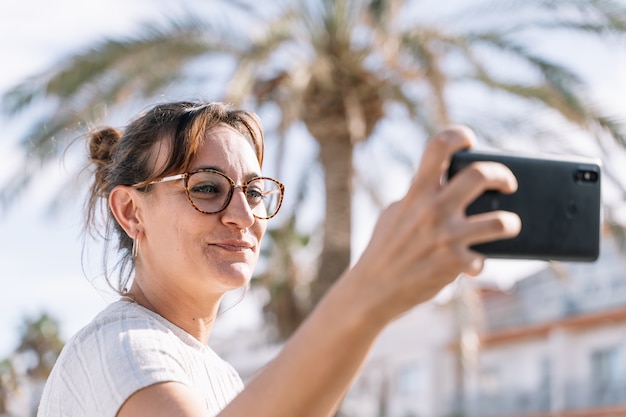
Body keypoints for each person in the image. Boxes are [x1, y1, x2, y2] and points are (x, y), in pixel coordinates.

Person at [37, 100, 521, 417]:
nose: (244, 215)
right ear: (130, 211)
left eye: (253, 190)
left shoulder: (220, 378)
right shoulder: (116, 348)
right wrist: (369, 294)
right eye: (207, 189)